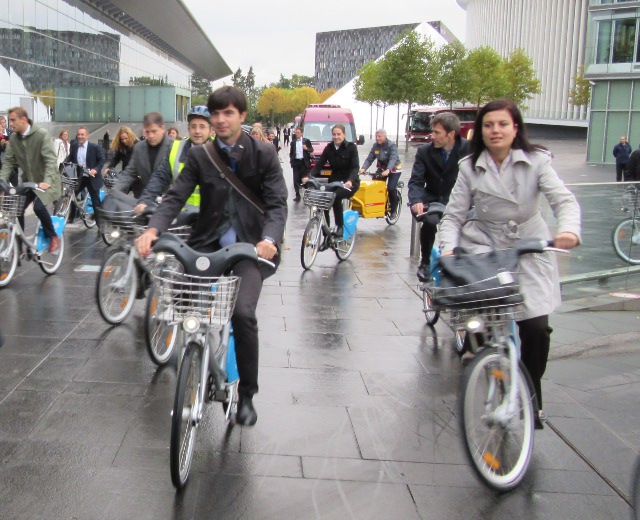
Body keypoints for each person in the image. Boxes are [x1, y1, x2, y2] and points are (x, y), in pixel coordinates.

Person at [135, 86, 287, 426]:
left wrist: (269, 238)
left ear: (242, 116)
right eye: (215, 113)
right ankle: (197, 351)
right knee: (182, 300)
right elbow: (175, 196)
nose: (220, 120)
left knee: (243, 314)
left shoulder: (263, 153)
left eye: (228, 113)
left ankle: (247, 395)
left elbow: (277, 204)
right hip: (208, 244)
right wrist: (153, 230)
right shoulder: (201, 155)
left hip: (249, 249)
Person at [439, 99, 581, 425]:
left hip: (529, 248)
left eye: (503, 124)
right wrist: (448, 248)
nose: (496, 130)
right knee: (478, 324)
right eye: (488, 125)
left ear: (516, 128)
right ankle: (487, 365)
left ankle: (531, 395)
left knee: (536, 329)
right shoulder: (469, 167)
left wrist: (568, 231)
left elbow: (563, 200)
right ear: (480, 131)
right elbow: (453, 216)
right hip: (486, 249)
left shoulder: (537, 161)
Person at [408, 112, 470, 281]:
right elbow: (416, 180)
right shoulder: (424, 151)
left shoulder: (469, 150)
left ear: (451, 134)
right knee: (429, 222)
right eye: (432, 131)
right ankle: (425, 262)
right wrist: (416, 200)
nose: (432, 136)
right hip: (433, 199)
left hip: (460, 200)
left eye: (437, 132)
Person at [0, 107, 61, 252]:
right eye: (9, 120)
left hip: (47, 182)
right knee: (17, 208)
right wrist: (2, 180)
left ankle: (53, 235)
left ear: (23, 120)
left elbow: (50, 160)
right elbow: (8, 161)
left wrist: (47, 181)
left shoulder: (41, 134)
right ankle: (19, 247)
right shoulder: (14, 139)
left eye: (13, 120)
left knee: (38, 207)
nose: (10, 123)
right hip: (29, 182)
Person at [135, 105, 213, 214]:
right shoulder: (176, 148)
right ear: (188, 129)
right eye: (193, 126)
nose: (197, 131)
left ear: (211, 130)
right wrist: (145, 200)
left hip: (212, 215)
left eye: (202, 126)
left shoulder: (221, 151)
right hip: (181, 215)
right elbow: (160, 176)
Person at [303, 124, 359, 237]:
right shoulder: (329, 148)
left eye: (339, 134)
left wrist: (350, 181)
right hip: (334, 182)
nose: (336, 137)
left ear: (344, 135)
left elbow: (355, 167)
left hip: (349, 183)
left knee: (335, 197)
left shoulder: (351, 148)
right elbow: (319, 165)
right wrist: (309, 176)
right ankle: (326, 233)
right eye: (334, 134)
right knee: (323, 200)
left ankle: (340, 227)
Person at [115, 112, 173, 198]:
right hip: (146, 196)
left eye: (154, 131)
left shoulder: (173, 146)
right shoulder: (139, 148)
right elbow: (129, 172)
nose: (151, 136)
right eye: (147, 132)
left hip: (170, 197)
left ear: (163, 128)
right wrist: (115, 190)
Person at [65, 127, 106, 225]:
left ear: (87, 136)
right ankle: (71, 217)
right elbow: (70, 157)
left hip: (91, 177)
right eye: (78, 134)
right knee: (72, 195)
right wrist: (64, 163)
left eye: (82, 134)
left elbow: (102, 159)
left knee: (95, 202)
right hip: (79, 177)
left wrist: (95, 169)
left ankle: (100, 225)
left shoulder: (94, 147)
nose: (80, 136)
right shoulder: (74, 146)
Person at [359, 128, 402, 218]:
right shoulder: (375, 146)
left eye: (379, 136)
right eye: (376, 136)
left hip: (394, 169)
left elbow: (393, 158)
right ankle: (378, 206)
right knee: (375, 185)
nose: (377, 138)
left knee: (391, 188)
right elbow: (370, 158)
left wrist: (388, 169)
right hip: (382, 168)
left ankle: (394, 210)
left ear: (385, 136)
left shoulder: (391, 145)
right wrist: (363, 168)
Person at [289, 127, 313, 202]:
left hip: (303, 162)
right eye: (296, 132)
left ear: (302, 133)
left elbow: (311, 149)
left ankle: (306, 194)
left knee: (304, 179)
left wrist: (306, 149)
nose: (297, 134)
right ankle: (297, 195)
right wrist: (291, 159)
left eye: (298, 132)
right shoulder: (293, 142)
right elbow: (291, 152)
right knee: (296, 179)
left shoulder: (306, 141)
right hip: (296, 162)